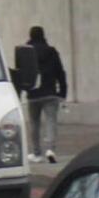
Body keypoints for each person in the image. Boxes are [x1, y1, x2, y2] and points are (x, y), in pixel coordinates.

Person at [19, 25, 68, 163]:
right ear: (43, 35)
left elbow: (22, 72)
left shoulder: (26, 53)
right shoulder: (52, 52)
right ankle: (50, 149)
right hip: (50, 92)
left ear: (30, 35)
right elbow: (60, 72)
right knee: (51, 121)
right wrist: (63, 92)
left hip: (33, 93)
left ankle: (36, 153)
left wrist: (23, 89)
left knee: (34, 123)